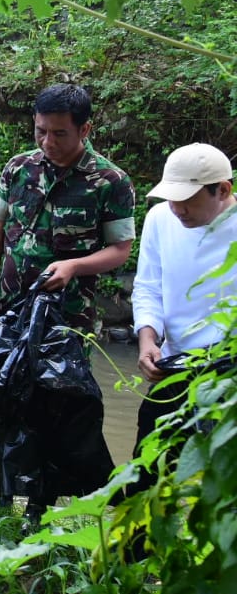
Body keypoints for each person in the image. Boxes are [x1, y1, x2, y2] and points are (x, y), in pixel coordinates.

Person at [0, 83, 136, 521]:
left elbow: (120, 249)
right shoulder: (19, 167)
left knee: (53, 408)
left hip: (67, 318)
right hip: (9, 309)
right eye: (41, 131)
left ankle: (39, 507)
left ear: (85, 129)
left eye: (59, 133)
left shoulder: (111, 181)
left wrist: (75, 266)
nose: (47, 142)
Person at [127, 143, 236, 495]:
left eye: (187, 199)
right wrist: (147, 340)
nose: (177, 209)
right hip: (175, 365)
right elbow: (148, 286)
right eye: (171, 198)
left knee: (219, 485)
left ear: (222, 190)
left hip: (228, 375)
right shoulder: (161, 219)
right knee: (148, 473)